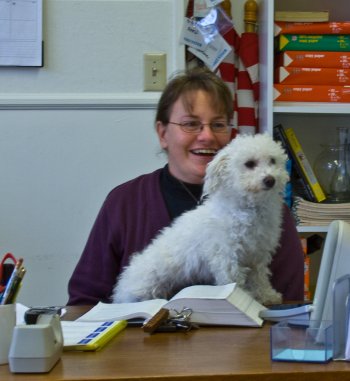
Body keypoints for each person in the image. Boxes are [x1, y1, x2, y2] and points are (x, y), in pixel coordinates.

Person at [67, 67, 304, 305]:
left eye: (219, 124)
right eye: (191, 124)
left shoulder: (270, 207)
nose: (207, 136)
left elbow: (287, 306)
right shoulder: (124, 202)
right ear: (163, 134)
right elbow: (84, 301)